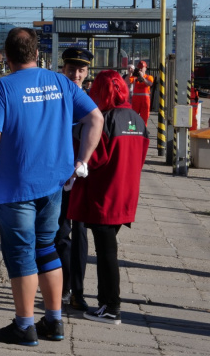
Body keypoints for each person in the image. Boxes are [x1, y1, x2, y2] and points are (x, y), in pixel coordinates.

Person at [0, 28, 103, 346]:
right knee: (47, 249)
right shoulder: (61, 83)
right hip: (54, 184)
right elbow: (95, 118)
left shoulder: (2, 87)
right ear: (38, 55)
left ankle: (24, 326)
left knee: (21, 255)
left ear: (6, 56)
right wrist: (81, 162)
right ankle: (54, 322)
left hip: (16, 188)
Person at [68, 70, 149, 325]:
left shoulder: (103, 120)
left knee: (106, 254)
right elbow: (141, 158)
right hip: (126, 195)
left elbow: (95, 158)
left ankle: (111, 306)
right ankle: (108, 304)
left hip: (105, 196)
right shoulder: (137, 119)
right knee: (107, 250)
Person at [55, 47, 91, 312]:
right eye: (71, 69)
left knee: (79, 233)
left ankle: (76, 290)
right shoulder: (55, 96)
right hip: (57, 174)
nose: (76, 74)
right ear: (63, 69)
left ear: (87, 72)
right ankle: (63, 287)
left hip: (81, 177)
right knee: (59, 233)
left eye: (81, 70)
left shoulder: (91, 101)